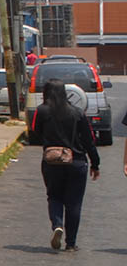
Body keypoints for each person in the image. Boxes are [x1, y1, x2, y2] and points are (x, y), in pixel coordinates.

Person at [33, 78, 99, 251]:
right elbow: (89, 141)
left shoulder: (41, 111)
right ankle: (71, 243)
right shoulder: (77, 113)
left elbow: (35, 133)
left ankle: (57, 225)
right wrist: (95, 164)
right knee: (74, 203)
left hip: (51, 162)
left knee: (54, 196)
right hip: (76, 162)